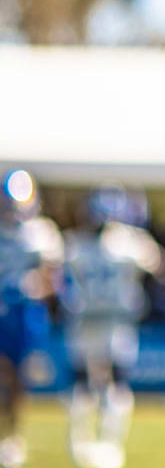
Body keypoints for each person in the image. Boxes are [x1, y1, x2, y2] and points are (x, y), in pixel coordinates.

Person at [60, 186, 165, 468]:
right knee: (113, 384)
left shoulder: (75, 245)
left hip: (91, 319)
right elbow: (163, 268)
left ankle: (83, 444)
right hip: (113, 319)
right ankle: (107, 445)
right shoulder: (130, 244)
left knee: (85, 384)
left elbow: (57, 275)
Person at [0, 170, 63, 468]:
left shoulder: (41, 233)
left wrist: (38, 285)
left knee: (17, 378)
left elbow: (54, 277)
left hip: (24, 312)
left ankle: (12, 435)